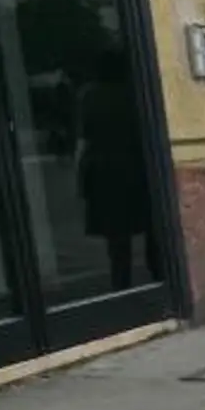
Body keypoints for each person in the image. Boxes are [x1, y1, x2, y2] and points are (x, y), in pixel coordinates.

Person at [78, 47, 157, 291]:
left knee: (117, 237)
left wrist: (81, 178)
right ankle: (159, 273)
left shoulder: (90, 96)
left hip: (103, 170)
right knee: (152, 224)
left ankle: (121, 282)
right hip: (135, 166)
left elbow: (83, 136)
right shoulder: (135, 93)